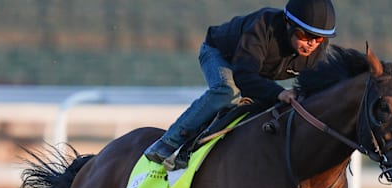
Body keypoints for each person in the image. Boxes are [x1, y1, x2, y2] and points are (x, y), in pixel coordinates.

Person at [144, 0, 337, 169]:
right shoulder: (262, 27)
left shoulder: (316, 52)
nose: (311, 44)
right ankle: (168, 143)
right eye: (304, 35)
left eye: (318, 38)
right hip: (219, 54)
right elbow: (244, 75)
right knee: (227, 91)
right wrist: (279, 93)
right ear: (288, 25)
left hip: (257, 70)